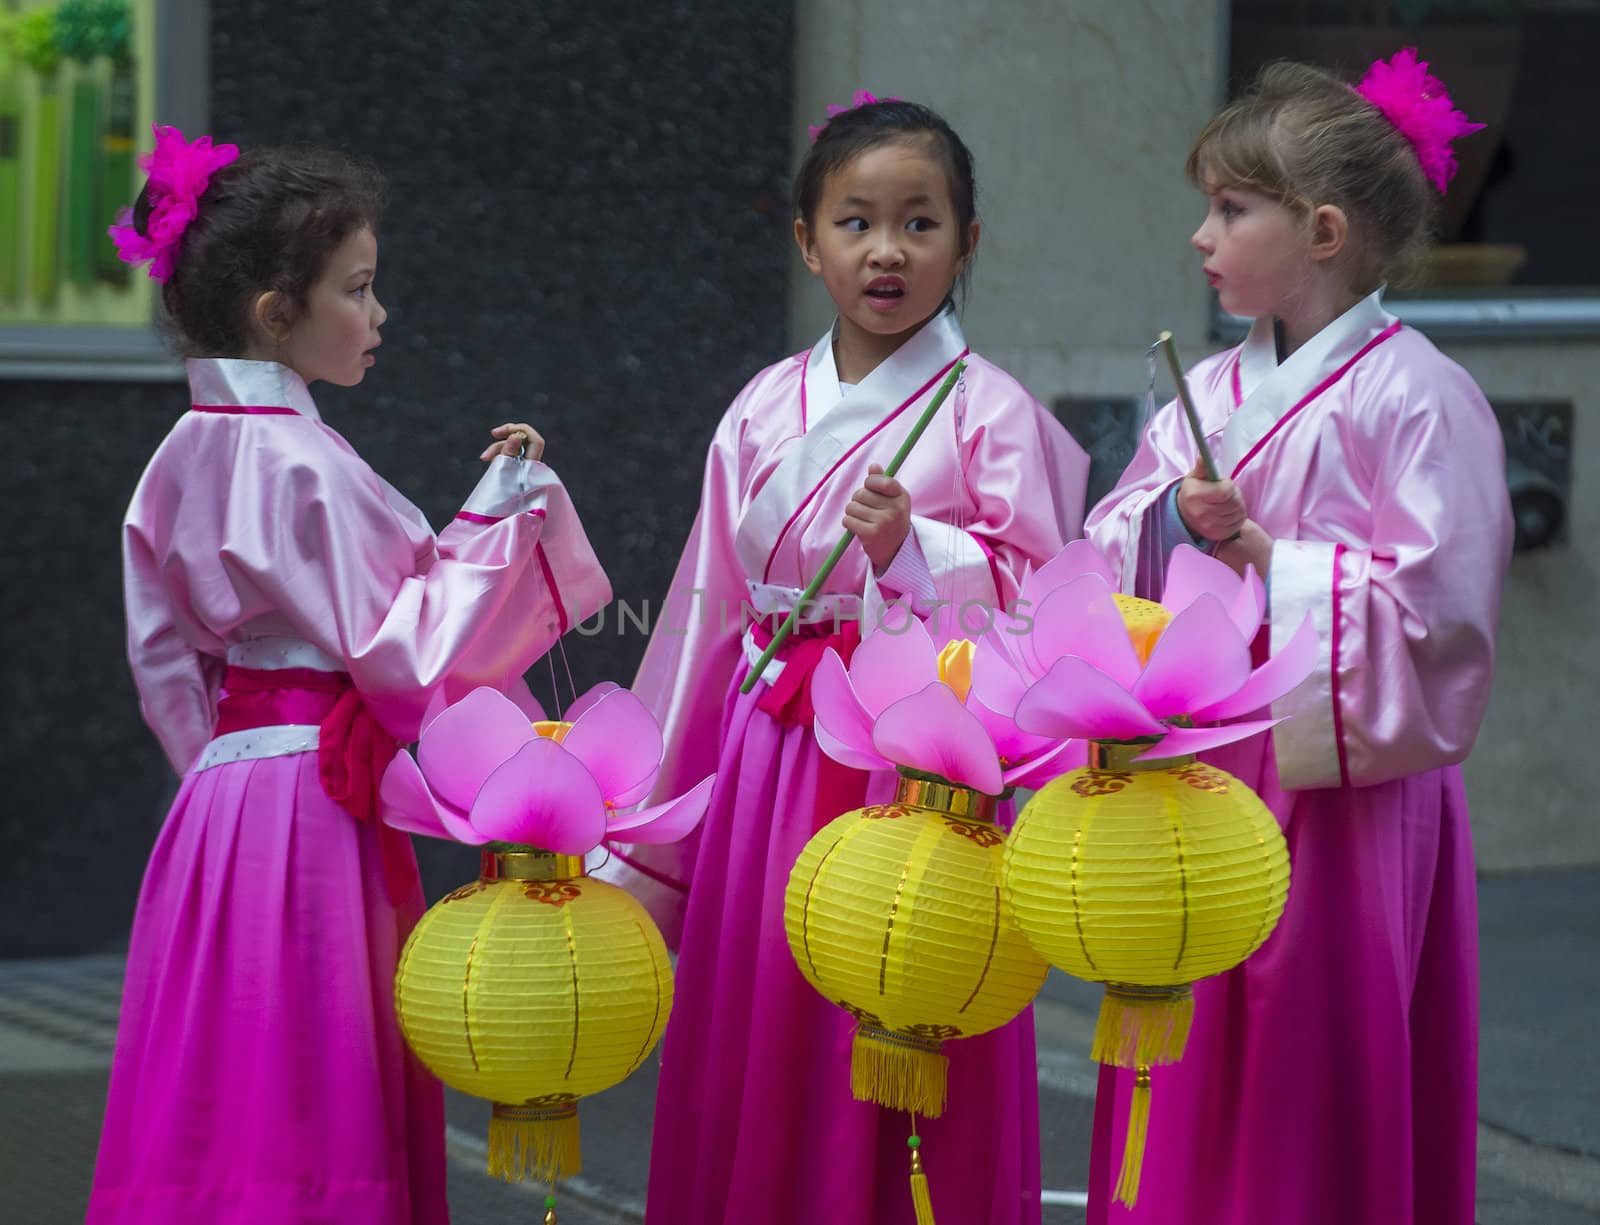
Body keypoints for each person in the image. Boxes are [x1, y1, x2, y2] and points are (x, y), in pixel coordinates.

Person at [87, 126, 611, 1225]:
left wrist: (217, 769)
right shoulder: (299, 461)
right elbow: (409, 653)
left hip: (219, 805)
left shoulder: (181, 454)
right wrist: (504, 509)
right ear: (277, 312)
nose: (377, 318)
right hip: (310, 809)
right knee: (315, 1071)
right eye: (358, 291)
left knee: (216, 1074)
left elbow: (163, 663)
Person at [602, 94, 1090, 1225]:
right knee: (765, 1007)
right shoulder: (764, 408)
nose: (886, 250)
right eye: (856, 221)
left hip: (908, 768)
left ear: (967, 244)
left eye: (920, 223)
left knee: (897, 1002)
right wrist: (651, 823)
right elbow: (699, 617)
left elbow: (1046, 607)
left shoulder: (992, 414)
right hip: (767, 748)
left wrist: (914, 551)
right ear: (806, 241)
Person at [1083, 52, 1511, 1224]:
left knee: (1301, 1052)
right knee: (1185, 1031)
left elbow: (1445, 615)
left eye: (1230, 208)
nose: (1201, 237)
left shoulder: (1417, 396)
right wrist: (1174, 517)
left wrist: (1276, 565)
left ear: (1321, 230)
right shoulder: (1206, 390)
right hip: (1198, 759)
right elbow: (1114, 531)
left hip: (1340, 772)